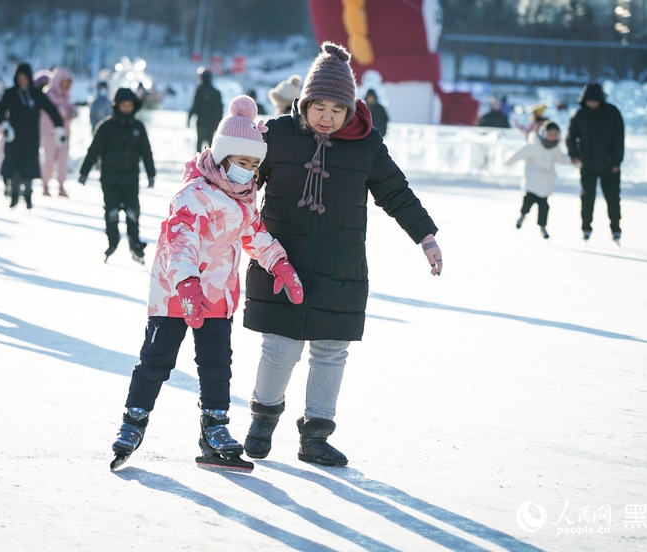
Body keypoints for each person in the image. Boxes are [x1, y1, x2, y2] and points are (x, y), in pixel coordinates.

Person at [241, 42, 443, 467]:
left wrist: (425, 236)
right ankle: (262, 423)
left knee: (331, 351)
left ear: (350, 108)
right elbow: (238, 181)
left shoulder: (366, 145)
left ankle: (316, 435)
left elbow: (397, 194)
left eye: (337, 108)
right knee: (279, 347)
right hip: (282, 260)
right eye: (319, 106)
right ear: (305, 102)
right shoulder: (275, 135)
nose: (327, 116)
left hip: (341, 266)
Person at [109, 95, 305, 471]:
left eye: (253, 165)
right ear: (222, 156)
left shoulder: (245, 200)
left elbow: (255, 235)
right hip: (174, 296)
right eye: (241, 162)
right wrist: (186, 285)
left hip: (217, 298)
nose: (248, 172)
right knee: (156, 362)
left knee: (216, 365)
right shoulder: (194, 195)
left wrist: (280, 264)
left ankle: (214, 428)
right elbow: (179, 241)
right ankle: (133, 422)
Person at [78, 88, 156, 263]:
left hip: (130, 179)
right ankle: (112, 241)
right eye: (123, 105)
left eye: (130, 105)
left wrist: (151, 173)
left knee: (132, 212)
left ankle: (135, 243)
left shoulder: (138, 127)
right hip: (109, 179)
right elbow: (94, 150)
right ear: (117, 106)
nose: (127, 108)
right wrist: (84, 171)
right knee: (111, 212)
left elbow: (146, 152)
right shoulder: (106, 127)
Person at [0, 62, 65, 209]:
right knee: (13, 167)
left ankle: (28, 194)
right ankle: (13, 193)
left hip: (31, 138)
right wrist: (5, 125)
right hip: (13, 136)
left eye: (24, 77)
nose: (22, 80)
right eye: (19, 77)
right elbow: (0, 109)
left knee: (28, 168)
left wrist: (59, 127)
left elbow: (51, 110)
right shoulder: (10, 93)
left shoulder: (36, 94)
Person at [566, 83, 625, 242]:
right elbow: (570, 136)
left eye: (595, 100)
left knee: (612, 198)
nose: (592, 103)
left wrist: (616, 161)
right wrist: (574, 155)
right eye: (589, 100)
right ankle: (586, 228)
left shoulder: (612, 113)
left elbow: (619, 138)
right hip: (587, 164)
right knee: (587, 198)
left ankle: (615, 228)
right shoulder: (580, 115)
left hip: (609, 165)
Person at [505, 121, 572, 239]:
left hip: (546, 184)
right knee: (528, 202)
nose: (552, 137)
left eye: (555, 134)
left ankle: (542, 226)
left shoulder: (555, 148)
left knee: (544, 207)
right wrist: (507, 162)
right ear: (543, 133)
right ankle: (522, 216)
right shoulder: (533, 146)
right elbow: (517, 155)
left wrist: (574, 161)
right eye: (550, 134)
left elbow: (561, 158)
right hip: (532, 183)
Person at [40, 67, 78, 197]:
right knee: (49, 160)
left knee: (63, 161)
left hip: (64, 134)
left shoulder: (66, 96)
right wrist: (66, 112)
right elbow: (55, 112)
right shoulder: (48, 95)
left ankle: (61, 185)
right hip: (50, 133)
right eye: (64, 81)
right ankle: (45, 185)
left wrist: (73, 111)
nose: (66, 84)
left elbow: (70, 109)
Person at [187, 67, 222, 152]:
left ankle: (198, 163)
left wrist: (189, 118)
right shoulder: (216, 93)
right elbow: (219, 110)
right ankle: (212, 164)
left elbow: (195, 106)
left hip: (201, 122)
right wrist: (219, 123)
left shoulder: (200, 91)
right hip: (212, 123)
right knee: (211, 146)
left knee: (199, 144)